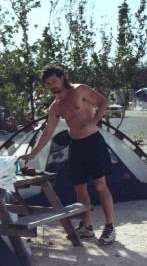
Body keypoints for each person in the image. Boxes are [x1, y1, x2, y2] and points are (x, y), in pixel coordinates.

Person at [19, 64, 116, 245]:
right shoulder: (56, 107)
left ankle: (110, 227)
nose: (52, 85)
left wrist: (94, 122)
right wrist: (32, 154)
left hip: (93, 142)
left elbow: (103, 102)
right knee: (79, 187)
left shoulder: (80, 90)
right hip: (76, 146)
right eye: (48, 83)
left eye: (54, 80)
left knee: (100, 185)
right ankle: (86, 226)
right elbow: (47, 132)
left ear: (62, 77)